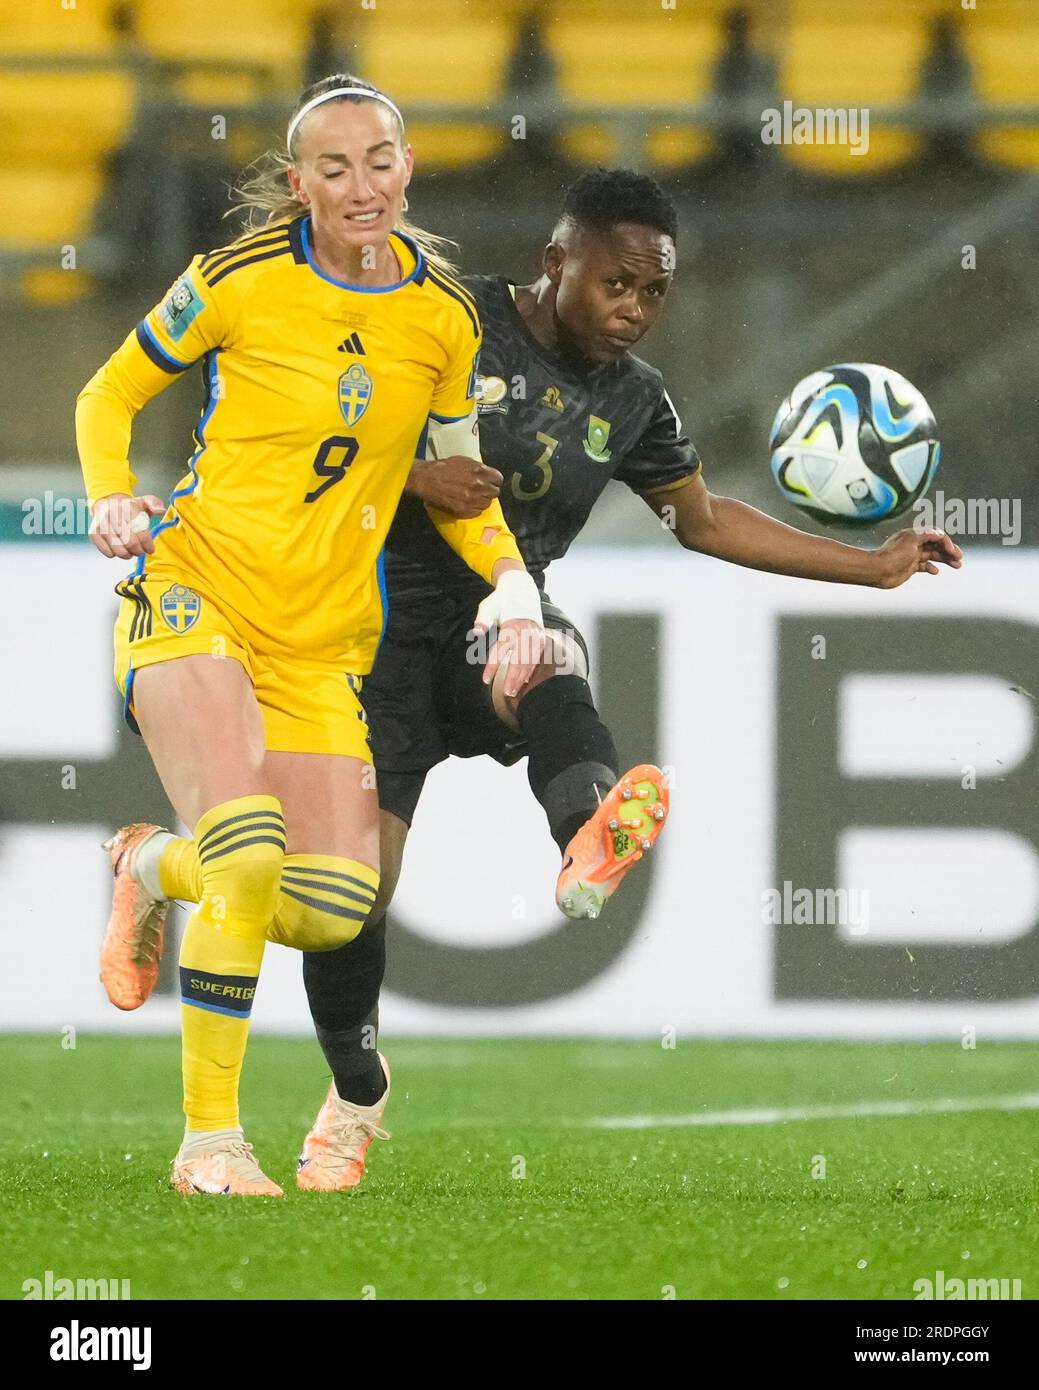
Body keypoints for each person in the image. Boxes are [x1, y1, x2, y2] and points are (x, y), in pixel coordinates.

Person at [294, 167, 963, 1191]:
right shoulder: (449, 319)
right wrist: (408, 473)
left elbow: (702, 521)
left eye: (653, 294)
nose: (634, 311)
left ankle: (588, 834)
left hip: (496, 610)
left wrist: (870, 566)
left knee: (542, 654)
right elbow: (317, 432)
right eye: (616, 283)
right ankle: (354, 1091)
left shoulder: (635, 400)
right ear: (555, 260)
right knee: (347, 907)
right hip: (369, 627)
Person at [77, 73, 543, 1197]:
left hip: (321, 644)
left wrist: (514, 584)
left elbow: (458, 484)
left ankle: (145, 864)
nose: (360, 185)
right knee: (246, 852)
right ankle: (210, 1146)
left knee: (335, 906)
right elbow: (107, 395)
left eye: (378, 161)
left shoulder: (443, 317)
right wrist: (107, 496)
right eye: (332, 168)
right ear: (299, 184)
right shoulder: (237, 279)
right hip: (193, 592)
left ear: (407, 167)